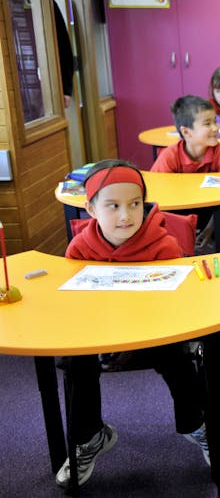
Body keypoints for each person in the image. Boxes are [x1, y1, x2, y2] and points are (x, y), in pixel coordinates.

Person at [56, 160, 210, 489]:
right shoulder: (80, 249)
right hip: (101, 336)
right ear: (91, 208)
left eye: (135, 204)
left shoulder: (164, 246)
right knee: (73, 360)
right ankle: (90, 437)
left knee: (179, 358)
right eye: (113, 206)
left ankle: (197, 424)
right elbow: (73, 305)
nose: (126, 216)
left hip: (156, 334)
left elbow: (181, 304)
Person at [151, 94, 220, 251]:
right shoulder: (170, 156)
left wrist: (209, 230)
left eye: (215, 122)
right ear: (186, 132)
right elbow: (156, 196)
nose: (216, 128)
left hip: (218, 211)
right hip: (180, 211)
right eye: (207, 124)